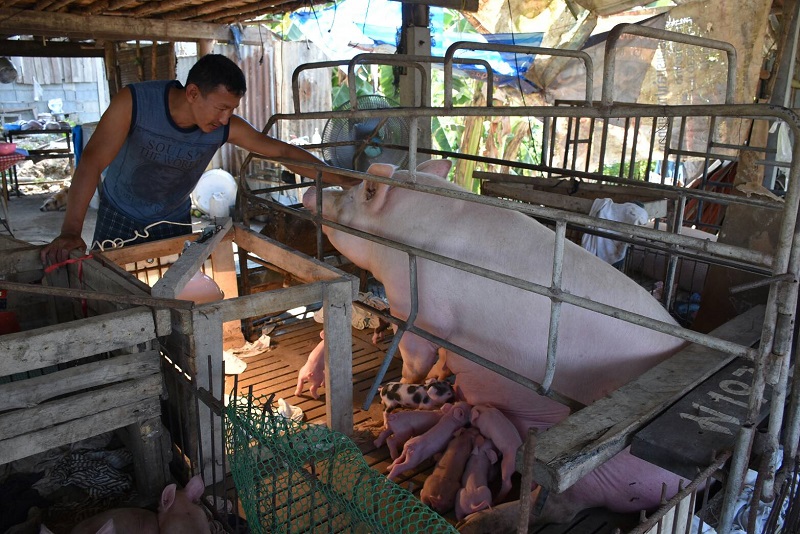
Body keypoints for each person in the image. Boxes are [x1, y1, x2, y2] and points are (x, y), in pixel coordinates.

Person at [41, 53, 355, 264]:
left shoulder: (223, 126)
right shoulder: (135, 102)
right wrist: (71, 230)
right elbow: (92, 162)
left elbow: (282, 151)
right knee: (116, 293)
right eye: (220, 107)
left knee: (175, 297)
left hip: (173, 216)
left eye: (232, 109)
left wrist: (341, 178)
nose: (225, 118)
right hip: (121, 213)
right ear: (192, 93)